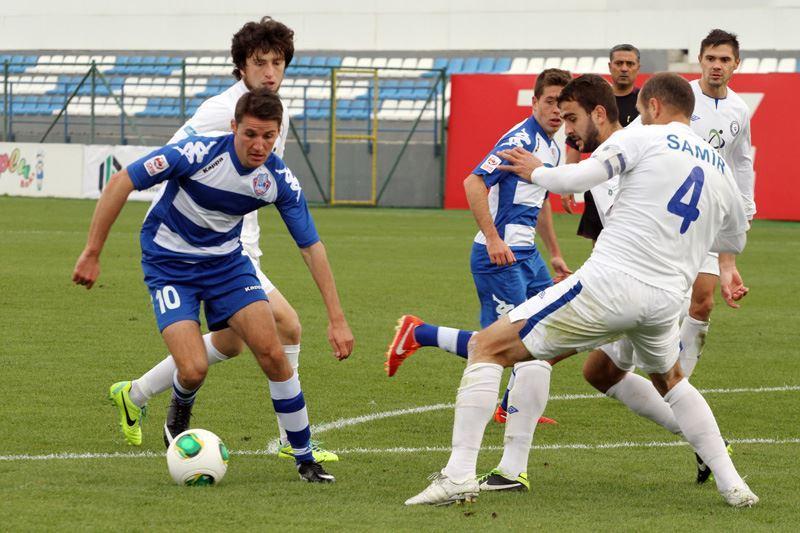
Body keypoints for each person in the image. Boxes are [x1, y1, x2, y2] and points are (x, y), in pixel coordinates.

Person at [402, 73, 757, 508]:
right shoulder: (718, 166)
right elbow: (734, 238)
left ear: (654, 107)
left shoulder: (643, 136)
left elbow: (579, 178)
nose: (639, 117)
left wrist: (536, 171)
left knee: (487, 347)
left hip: (612, 284)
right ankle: (734, 485)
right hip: (667, 299)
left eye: (641, 110)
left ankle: (459, 475)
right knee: (670, 381)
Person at [106, 17, 350, 463]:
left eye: (278, 63)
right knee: (287, 325)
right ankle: (291, 440)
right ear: (241, 66)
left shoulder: (273, 110)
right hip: (202, 243)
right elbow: (173, 162)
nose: (270, 73)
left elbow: (264, 180)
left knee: (233, 343)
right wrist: (190, 229)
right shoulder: (220, 112)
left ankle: (135, 393)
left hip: (237, 241)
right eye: (260, 63)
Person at [385, 70, 573, 483]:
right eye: (549, 101)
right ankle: (421, 335)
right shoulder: (518, 142)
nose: (557, 110)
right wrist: (492, 238)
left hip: (529, 256)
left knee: (550, 333)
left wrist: (555, 253)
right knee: (503, 344)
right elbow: (473, 182)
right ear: (534, 102)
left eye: (562, 103)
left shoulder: (553, 146)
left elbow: (539, 200)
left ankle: (505, 400)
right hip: (499, 257)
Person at [679, 29, 755, 379]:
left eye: (724, 59)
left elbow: (741, 162)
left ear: (736, 64)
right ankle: (621, 364)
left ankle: (678, 383)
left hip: (711, 216)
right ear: (700, 60)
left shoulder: (739, 109)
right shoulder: (681, 97)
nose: (716, 65)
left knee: (704, 303)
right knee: (664, 304)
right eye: (710, 58)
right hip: (671, 216)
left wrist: (745, 208)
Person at [561, 44, 642, 240]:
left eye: (630, 64)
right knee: (600, 244)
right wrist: (567, 184)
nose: (624, 68)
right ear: (610, 66)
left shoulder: (644, 103)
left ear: (638, 67)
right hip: (599, 180)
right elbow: (574, 145)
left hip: (631, 183)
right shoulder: (594, 100)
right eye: (619, 63)